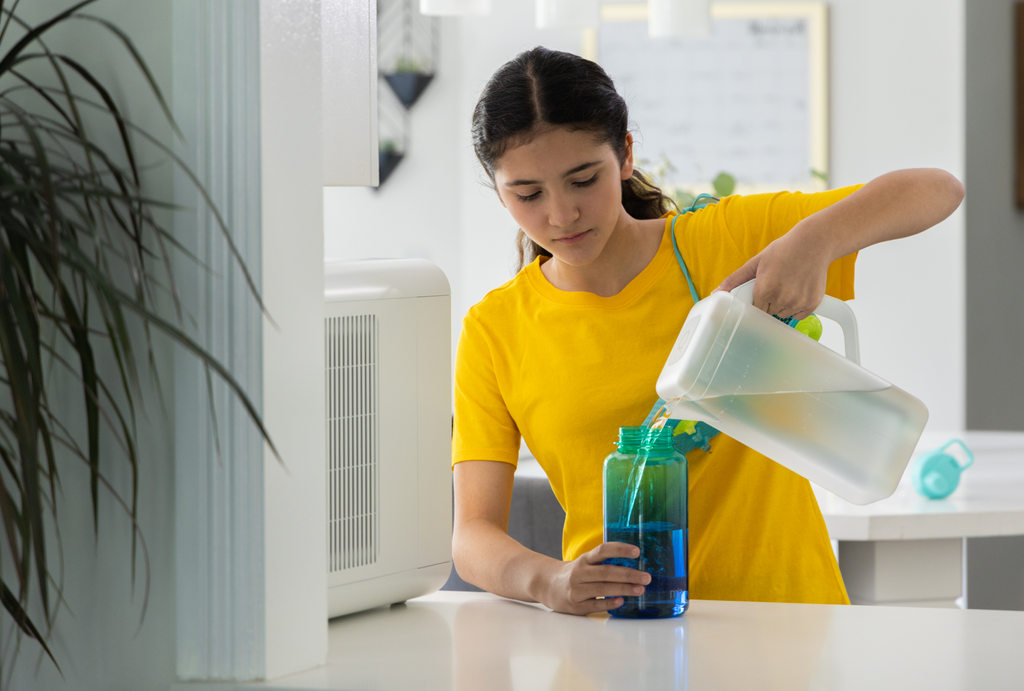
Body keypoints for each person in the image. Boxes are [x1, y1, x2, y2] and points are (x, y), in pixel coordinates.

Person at [451, 46, 964, 615]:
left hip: (787, 625)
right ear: (499, 192)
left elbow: (937, 189)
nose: (561, 214)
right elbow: (473, 536)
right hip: (615, 638)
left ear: (623, 155)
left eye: (582, 179)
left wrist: (815, 240)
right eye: (528, 194)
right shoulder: (494, 329)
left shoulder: (723, 244)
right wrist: (547, 580)